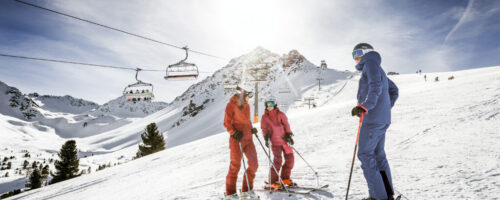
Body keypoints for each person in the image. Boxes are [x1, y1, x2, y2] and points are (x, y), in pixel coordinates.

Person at [351, 43, 399, 200]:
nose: (355, 57)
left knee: (365, 154)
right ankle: (386, 193)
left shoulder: (370, 64)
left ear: (366, 52)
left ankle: (378, 197)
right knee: (378, 155)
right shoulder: (379, 69)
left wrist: (365, 107)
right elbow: (394, 90)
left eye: (357, 52)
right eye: (353, 54)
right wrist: (384, 108)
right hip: (381, 119)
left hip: (372, 120)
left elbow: (375, 86)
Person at [223, 84, 259, 199]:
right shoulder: (231, 105)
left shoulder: (247, 106)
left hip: (248, 139)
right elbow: (227, 123)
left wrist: (251, 128)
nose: (250, 98)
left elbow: (246, 121)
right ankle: (230, 193)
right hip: (237, 140)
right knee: (235, 166)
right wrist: (233, 132)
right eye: (250, 95)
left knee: (254, 164)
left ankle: (246, 190)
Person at [260, 97, 295, 190]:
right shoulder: (265, 117)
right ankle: (273, 181)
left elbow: (286, 125)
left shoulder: (281, 114)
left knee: (290, 159)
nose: (269, 106)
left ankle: (285, 178)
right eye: (267, 104)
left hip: (285, 142)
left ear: (275, 104)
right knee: (277, 161)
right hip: (275, 143)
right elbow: (264, 129)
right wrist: (266, 138)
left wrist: (289, 135)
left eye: (271, 104)